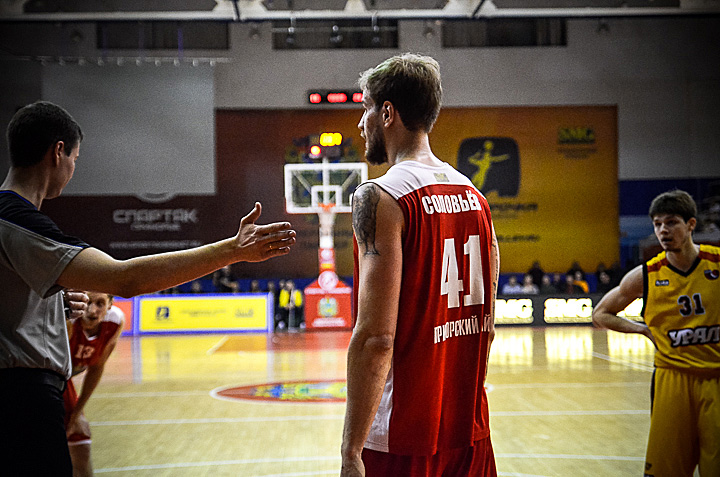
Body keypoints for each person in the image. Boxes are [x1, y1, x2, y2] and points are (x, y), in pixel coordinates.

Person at [0, 101, 296, 475]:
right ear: (57, 152)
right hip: (21, 398)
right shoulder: (17, 220)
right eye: (75, 158)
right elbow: (125, 279)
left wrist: (52, 306)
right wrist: (232, 250)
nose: (73, 169)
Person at [341, 54, 499, 477]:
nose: (360, 123)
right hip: (470, 433)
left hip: (401, 439)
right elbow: (488, 325)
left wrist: (351, 451)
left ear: (387, 113)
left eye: (365, 108)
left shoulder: (379, 196)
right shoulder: (476, 197)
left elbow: (376, 338)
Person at [592, 190, 720, 477]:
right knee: (666, 469)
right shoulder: (646, 275)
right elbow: (600, 313)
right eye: (657, 224)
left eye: (671, 222)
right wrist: (642, 330)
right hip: (672, 378)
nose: (663, 230)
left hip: (716, 376)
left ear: (691, 224)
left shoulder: (717, 263)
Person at [64, 292, 124, 477]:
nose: (92, 310)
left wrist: (77, 413)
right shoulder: (69, 321)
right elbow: (55, 370)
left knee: (81, 442)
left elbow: (97, 367)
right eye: (88, 302)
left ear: (110, 305)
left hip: (64, 378)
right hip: (50, 378)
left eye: (100, 303)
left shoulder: (115, 321)